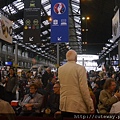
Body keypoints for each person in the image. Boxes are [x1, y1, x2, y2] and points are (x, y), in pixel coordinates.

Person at [58, 49, 94, 117]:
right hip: (77, 106)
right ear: (76, 58)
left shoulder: (60, 69)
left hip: (64, 105)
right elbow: (83, 89)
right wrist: (90, 105)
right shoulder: (80, 68)